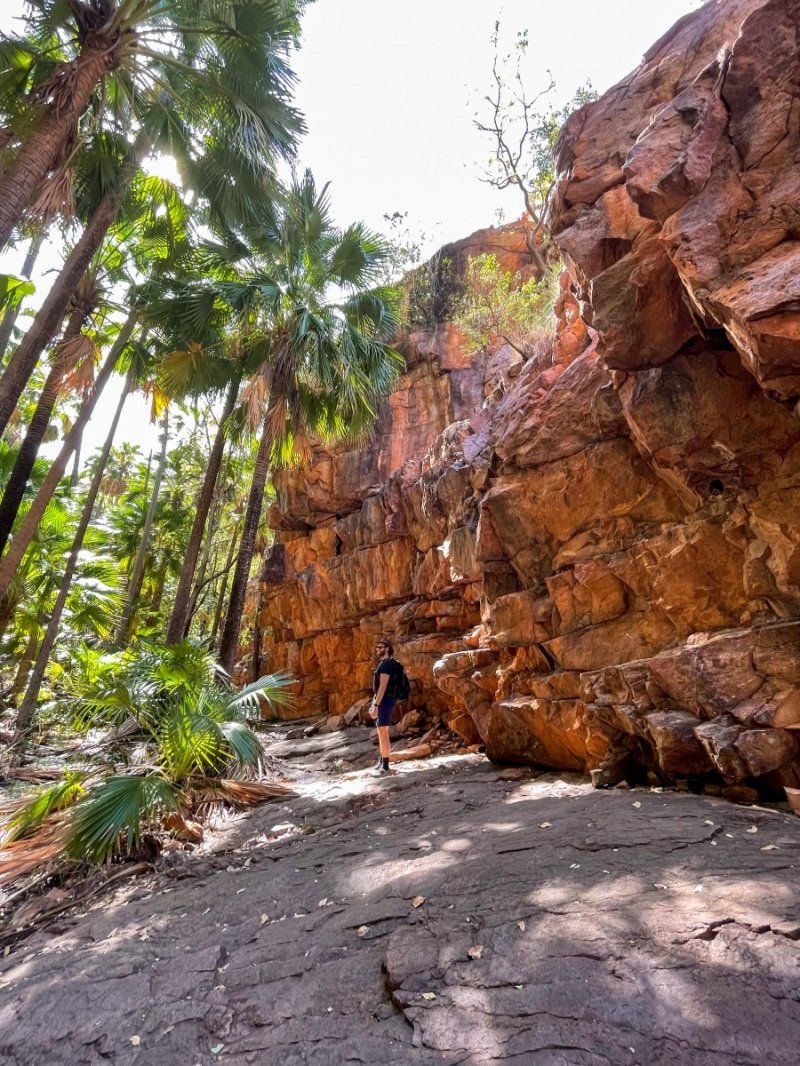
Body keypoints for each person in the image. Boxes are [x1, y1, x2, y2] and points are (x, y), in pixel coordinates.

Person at [369, 637, 403, 775]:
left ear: (387, 648)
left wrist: (376, 704)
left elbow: (383, 686)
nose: (378, 649)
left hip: (386, 701)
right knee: (380, 732)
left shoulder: (387, 664)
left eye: (381, 647)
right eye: (377, 647)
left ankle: (386, 766)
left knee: (383, 732)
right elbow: (378, 689)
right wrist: (373, 703)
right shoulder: (382, 664)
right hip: (382, 701)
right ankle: (382, 762)